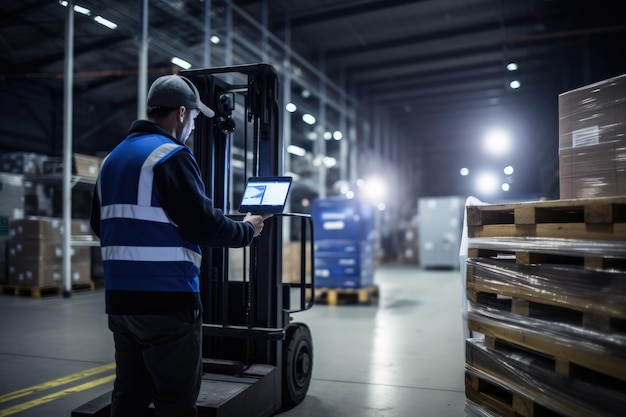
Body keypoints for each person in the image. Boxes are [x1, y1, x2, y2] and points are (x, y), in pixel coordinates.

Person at [90, 74, 271, 417]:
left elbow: (100, 225)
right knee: (176, 401)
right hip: (168, 301)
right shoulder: (170, 155)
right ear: (183, 114)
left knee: (129, 394)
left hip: (120, 302)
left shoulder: (112, 159)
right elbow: (203, 224)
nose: (193, 129)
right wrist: (247, 229)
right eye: (196, 119)